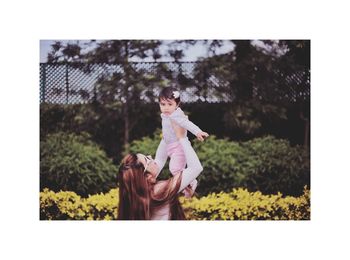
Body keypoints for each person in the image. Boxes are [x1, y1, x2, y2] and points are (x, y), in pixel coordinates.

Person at [117, 120, 203, 220]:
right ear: (147, 176)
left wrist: (169, 127)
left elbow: (160, 159)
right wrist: (182, 138)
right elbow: (196, 168)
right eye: (147, 159)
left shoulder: (134, 197)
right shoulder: (158, 191)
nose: (150, 156)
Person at [156, 87, 209, 197]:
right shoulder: (165, 114)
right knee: (161, 162)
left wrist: (198, 132)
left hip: (178, 146)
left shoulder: (176, 115)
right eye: (163, 104)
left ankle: (191, 181)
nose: (166, 108)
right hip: (167, 143)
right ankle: (187, 187)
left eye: (169, 104)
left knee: (175, 169)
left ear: (177, 104)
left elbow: (187, 124)